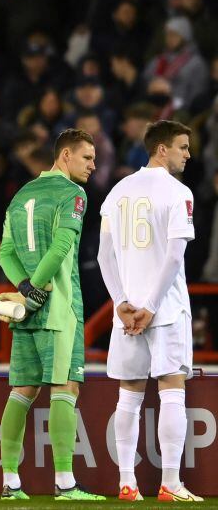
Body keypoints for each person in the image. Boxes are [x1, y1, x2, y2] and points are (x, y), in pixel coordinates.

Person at [0, 128, 104, 501]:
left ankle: (10, 482)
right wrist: (39, 290)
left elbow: (5, 253)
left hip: (26, 312)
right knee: (65, 388)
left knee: (22, 390)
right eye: (87, 157)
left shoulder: (21, 193)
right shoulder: (73, 194)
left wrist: (24, 290)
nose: (93, 164)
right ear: (65, 155)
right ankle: (65, 483)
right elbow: (60, 247)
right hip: (58, 308)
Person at [97, 120, 202, 502]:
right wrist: (152, 307)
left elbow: (102, 255)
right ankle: (170, 485)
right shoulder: (178, 192)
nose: (188, 154)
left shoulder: (118, 191)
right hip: (166, 309)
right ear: (162, 149)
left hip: (126, 314)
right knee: (172, 391)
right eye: (183, 147)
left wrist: (121, 302)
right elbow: (175, 254)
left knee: (129, 395)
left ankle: (127, 483)